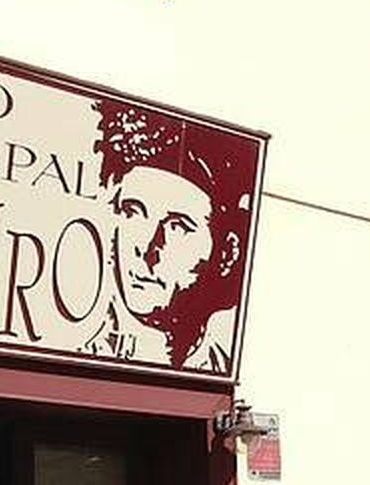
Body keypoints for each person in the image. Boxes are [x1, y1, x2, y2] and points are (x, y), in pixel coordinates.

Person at [83, 99, 257, 373]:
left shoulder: (223, 367)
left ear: (227, 253)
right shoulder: (78, 353)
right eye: (133, 212)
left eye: (178, 226)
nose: (148, 247)